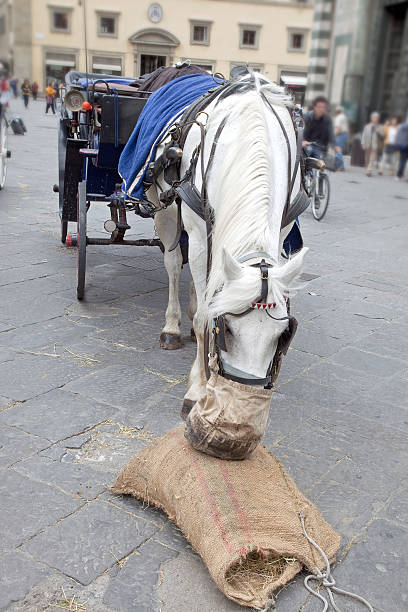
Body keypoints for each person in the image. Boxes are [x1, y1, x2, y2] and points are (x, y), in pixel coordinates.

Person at [361, 112, 384, 176]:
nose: (375, 119)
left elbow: (382, 136)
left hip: (375, 144)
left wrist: (378, 132)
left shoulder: (380, 127)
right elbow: (363, 135)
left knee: (372, 158)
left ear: (378, 119)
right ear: (371, 118)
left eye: (376, 118)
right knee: (367, 158)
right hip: (367, 144)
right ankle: (367, 168)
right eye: (374, 117)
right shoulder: (367, 126)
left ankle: (369, 170)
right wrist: (363, 143)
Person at [334, 105, 349, 171]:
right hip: (345, 134)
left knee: (338, 149)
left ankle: (340, 166)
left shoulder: (338, 118)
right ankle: (340, 165)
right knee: (339, 149)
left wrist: (333, 136)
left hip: (340, 134)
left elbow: (338, 128)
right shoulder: (343, 116)